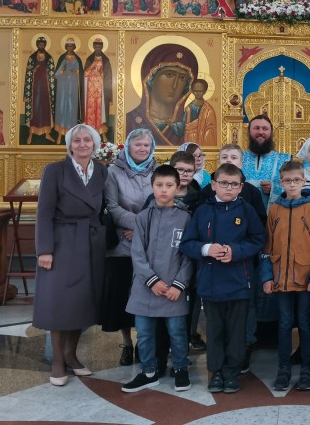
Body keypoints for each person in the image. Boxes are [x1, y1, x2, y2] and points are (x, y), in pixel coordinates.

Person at [181, 163, 266, 394]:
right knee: (215, 331)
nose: (229, 188)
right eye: (224, 183)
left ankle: (232, 373)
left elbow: (259, 239)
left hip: (239, 281)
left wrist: (235, 251)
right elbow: (187, 244)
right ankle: (216, 372)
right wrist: (206, 249)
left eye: (234, 184)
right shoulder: (203, 211)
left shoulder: (247, 210)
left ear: (241, 187)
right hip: (210, 283)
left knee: (237, 332)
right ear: (214, 185)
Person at [33, 124, 107, 386]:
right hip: (62, 241)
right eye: (77, 140)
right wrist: (44, 250)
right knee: (60, 302)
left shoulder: (101, 170)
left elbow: (104, 208)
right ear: (69, 145)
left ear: (95, 144)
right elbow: (44, 212)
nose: (82, 144)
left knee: (83, 301)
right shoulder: (55, 170)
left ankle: (71, 355)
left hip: (90, 241)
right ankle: (57, 360)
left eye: (87, 140)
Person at [122, 165, 193, 393]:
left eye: (169, 185)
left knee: (177, 333)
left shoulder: (185, 218)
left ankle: (181, 369)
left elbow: (189, 257)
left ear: (177, 187)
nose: (164, 190)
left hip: (174, 289)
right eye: (159, 185)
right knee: (144, 334)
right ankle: (148, 372)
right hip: (145, 287)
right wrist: (151, 280)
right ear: (152, 187)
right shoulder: (143, 217)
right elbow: (137, 253)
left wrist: (178, 285)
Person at [260, 160, 310, 392]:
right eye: (288, 181)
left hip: (305, 279)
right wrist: (267, 277)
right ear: (281, 182)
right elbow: (267, 248)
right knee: (284, 324)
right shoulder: (274, 210)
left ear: (303, 181)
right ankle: (283, 370)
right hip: (280, 278)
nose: (292, 184)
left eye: (296, 180)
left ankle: (307, 371)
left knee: (306, 324)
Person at [102, 128, 157, 366]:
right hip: (122, 243)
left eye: (146, 145)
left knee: (148, 296)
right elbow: (112, 207)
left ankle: (145, 343)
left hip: (150, 244)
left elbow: (163, 204)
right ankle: (126, 343)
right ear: (128, 146)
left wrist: (141, 230)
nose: (142, 149)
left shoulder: (158, 171)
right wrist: (138, 225)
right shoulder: (113, 172)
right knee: (122, 297)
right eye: (138, 145)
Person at [125, 43, 198, 145]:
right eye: (169, 74)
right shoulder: (129, 122)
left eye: (182, 78)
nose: (175, 85)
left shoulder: (190, 125)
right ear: (150, 78)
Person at [241, 114, 291, 208]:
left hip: (273, 215)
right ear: (249, 131)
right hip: (242, 213)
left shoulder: (285, 160)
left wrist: (274, 189)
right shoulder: (238, 158)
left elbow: (295, 188)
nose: (260, 132)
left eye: (265, 129)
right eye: (256, 128)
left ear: (271, 132)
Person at [23, 36, 56, 144]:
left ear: (45, 45)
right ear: (37, 45)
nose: (41, 45)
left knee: (46, 110)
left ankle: (47, 133)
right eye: (39, 44)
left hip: (46, 89)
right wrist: (33, 70)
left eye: (43, 44)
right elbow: (28, 74)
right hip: (34, 89)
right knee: (35, 109)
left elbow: (52, 73)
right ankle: (31, 133)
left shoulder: (49, 58)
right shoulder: (32, 57)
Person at [53, 39, 84, 144]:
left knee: (72, 108)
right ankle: (60, 133)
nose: (70, 47)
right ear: (66, 47)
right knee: (61, 108)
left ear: (74, 47)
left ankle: (72, 134)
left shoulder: (77, 59)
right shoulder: (62, 58)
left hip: (73, 88)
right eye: (68, 46)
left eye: (71, 46)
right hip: (62, 88)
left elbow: (81, 74)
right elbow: (56, 75)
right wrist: (62, 70)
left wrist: (77, 71)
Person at [83, 39, 113, 142]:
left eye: (99, 46)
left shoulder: (106, 60)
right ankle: (90, 134)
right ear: (93, 47)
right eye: (96, 46)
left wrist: (101, 73)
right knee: (91, 112)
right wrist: (91, 70)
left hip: (101, 91)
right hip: (90, 91)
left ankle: (102, 133)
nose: (98, 48)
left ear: (102, 47)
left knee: (101, 113)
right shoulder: (89, 59)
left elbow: (108, 77)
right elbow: (85, 74)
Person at [184, 78, 218, 147]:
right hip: (191, 139)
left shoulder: (209, 110)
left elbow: (212, 127)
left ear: (205, 91)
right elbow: (184, 126)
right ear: (192, 91)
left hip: (204, 140)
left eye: (200, 91)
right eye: (196, 91)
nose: (198, 93)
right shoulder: (188, 108)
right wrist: (173, 125)